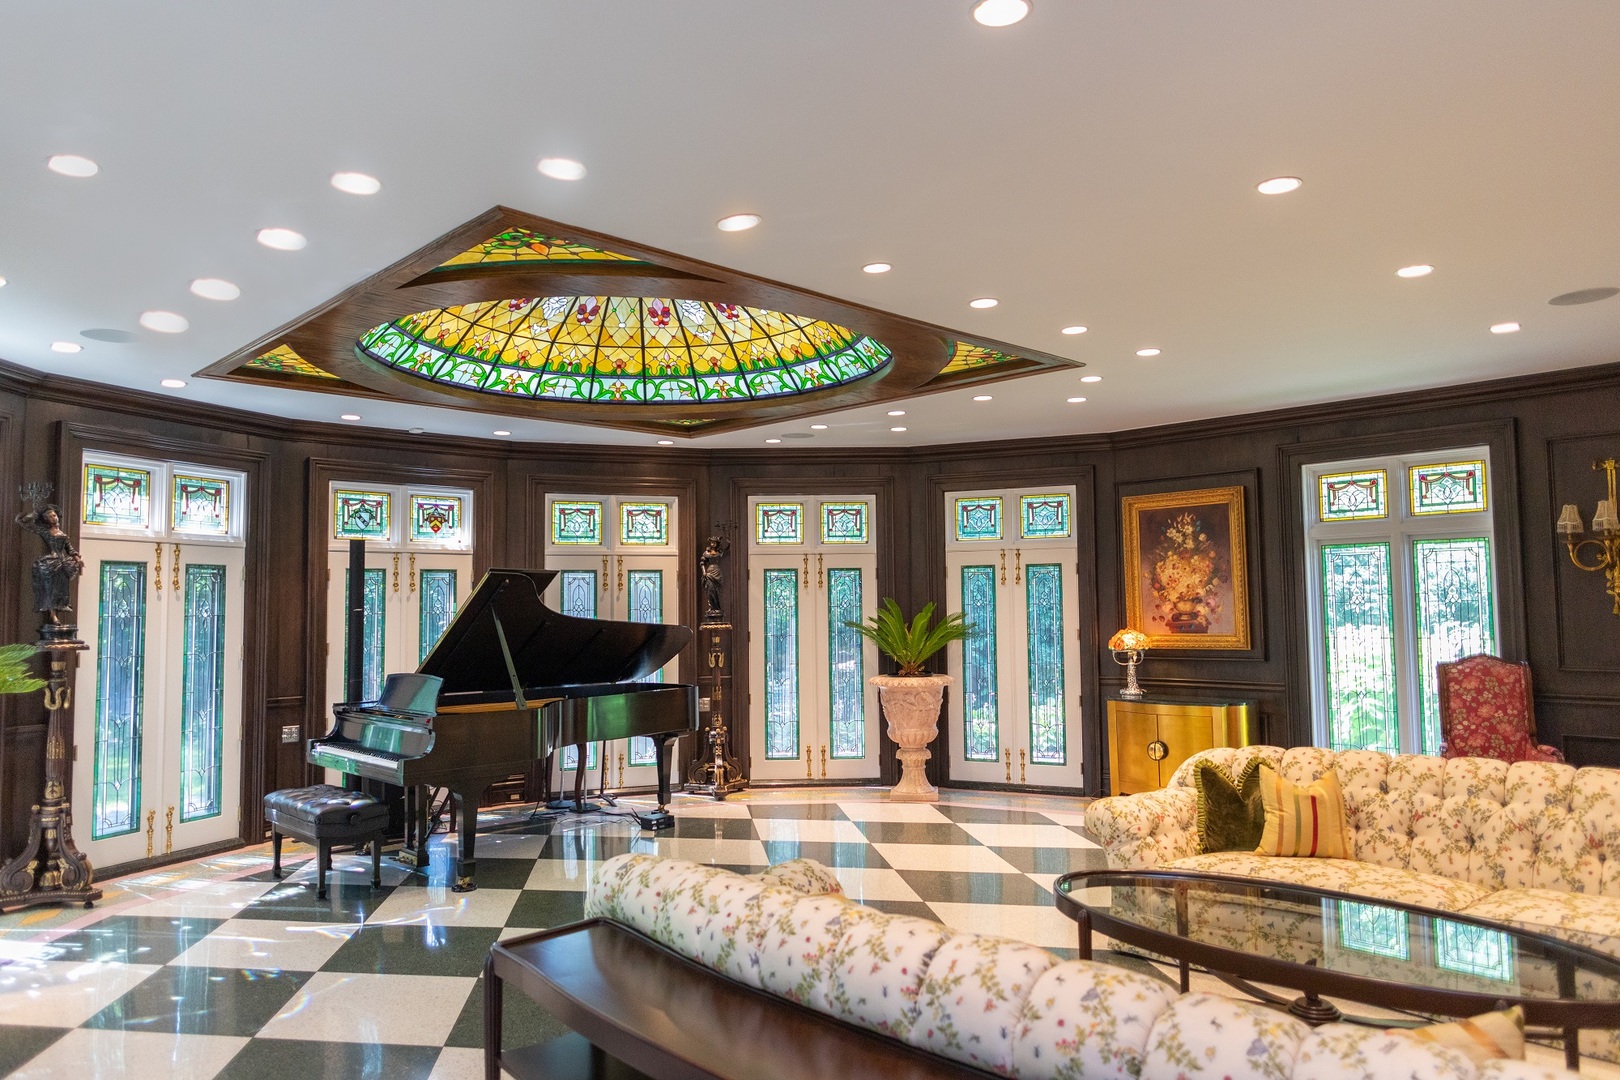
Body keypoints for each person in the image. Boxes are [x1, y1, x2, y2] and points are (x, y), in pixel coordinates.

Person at [16, 503, 83, 624]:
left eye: (55, 515)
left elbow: (70, 549)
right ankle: (53, 615)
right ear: (46, 519)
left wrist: (78, 560)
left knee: (61, 589)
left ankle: (61, 608)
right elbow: (23, 522)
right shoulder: (45, 531)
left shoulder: (62, 533)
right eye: (51, 516)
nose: (54, 518)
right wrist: (35, 513)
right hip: (51, 562)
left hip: (64, 563)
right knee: (50, 589)